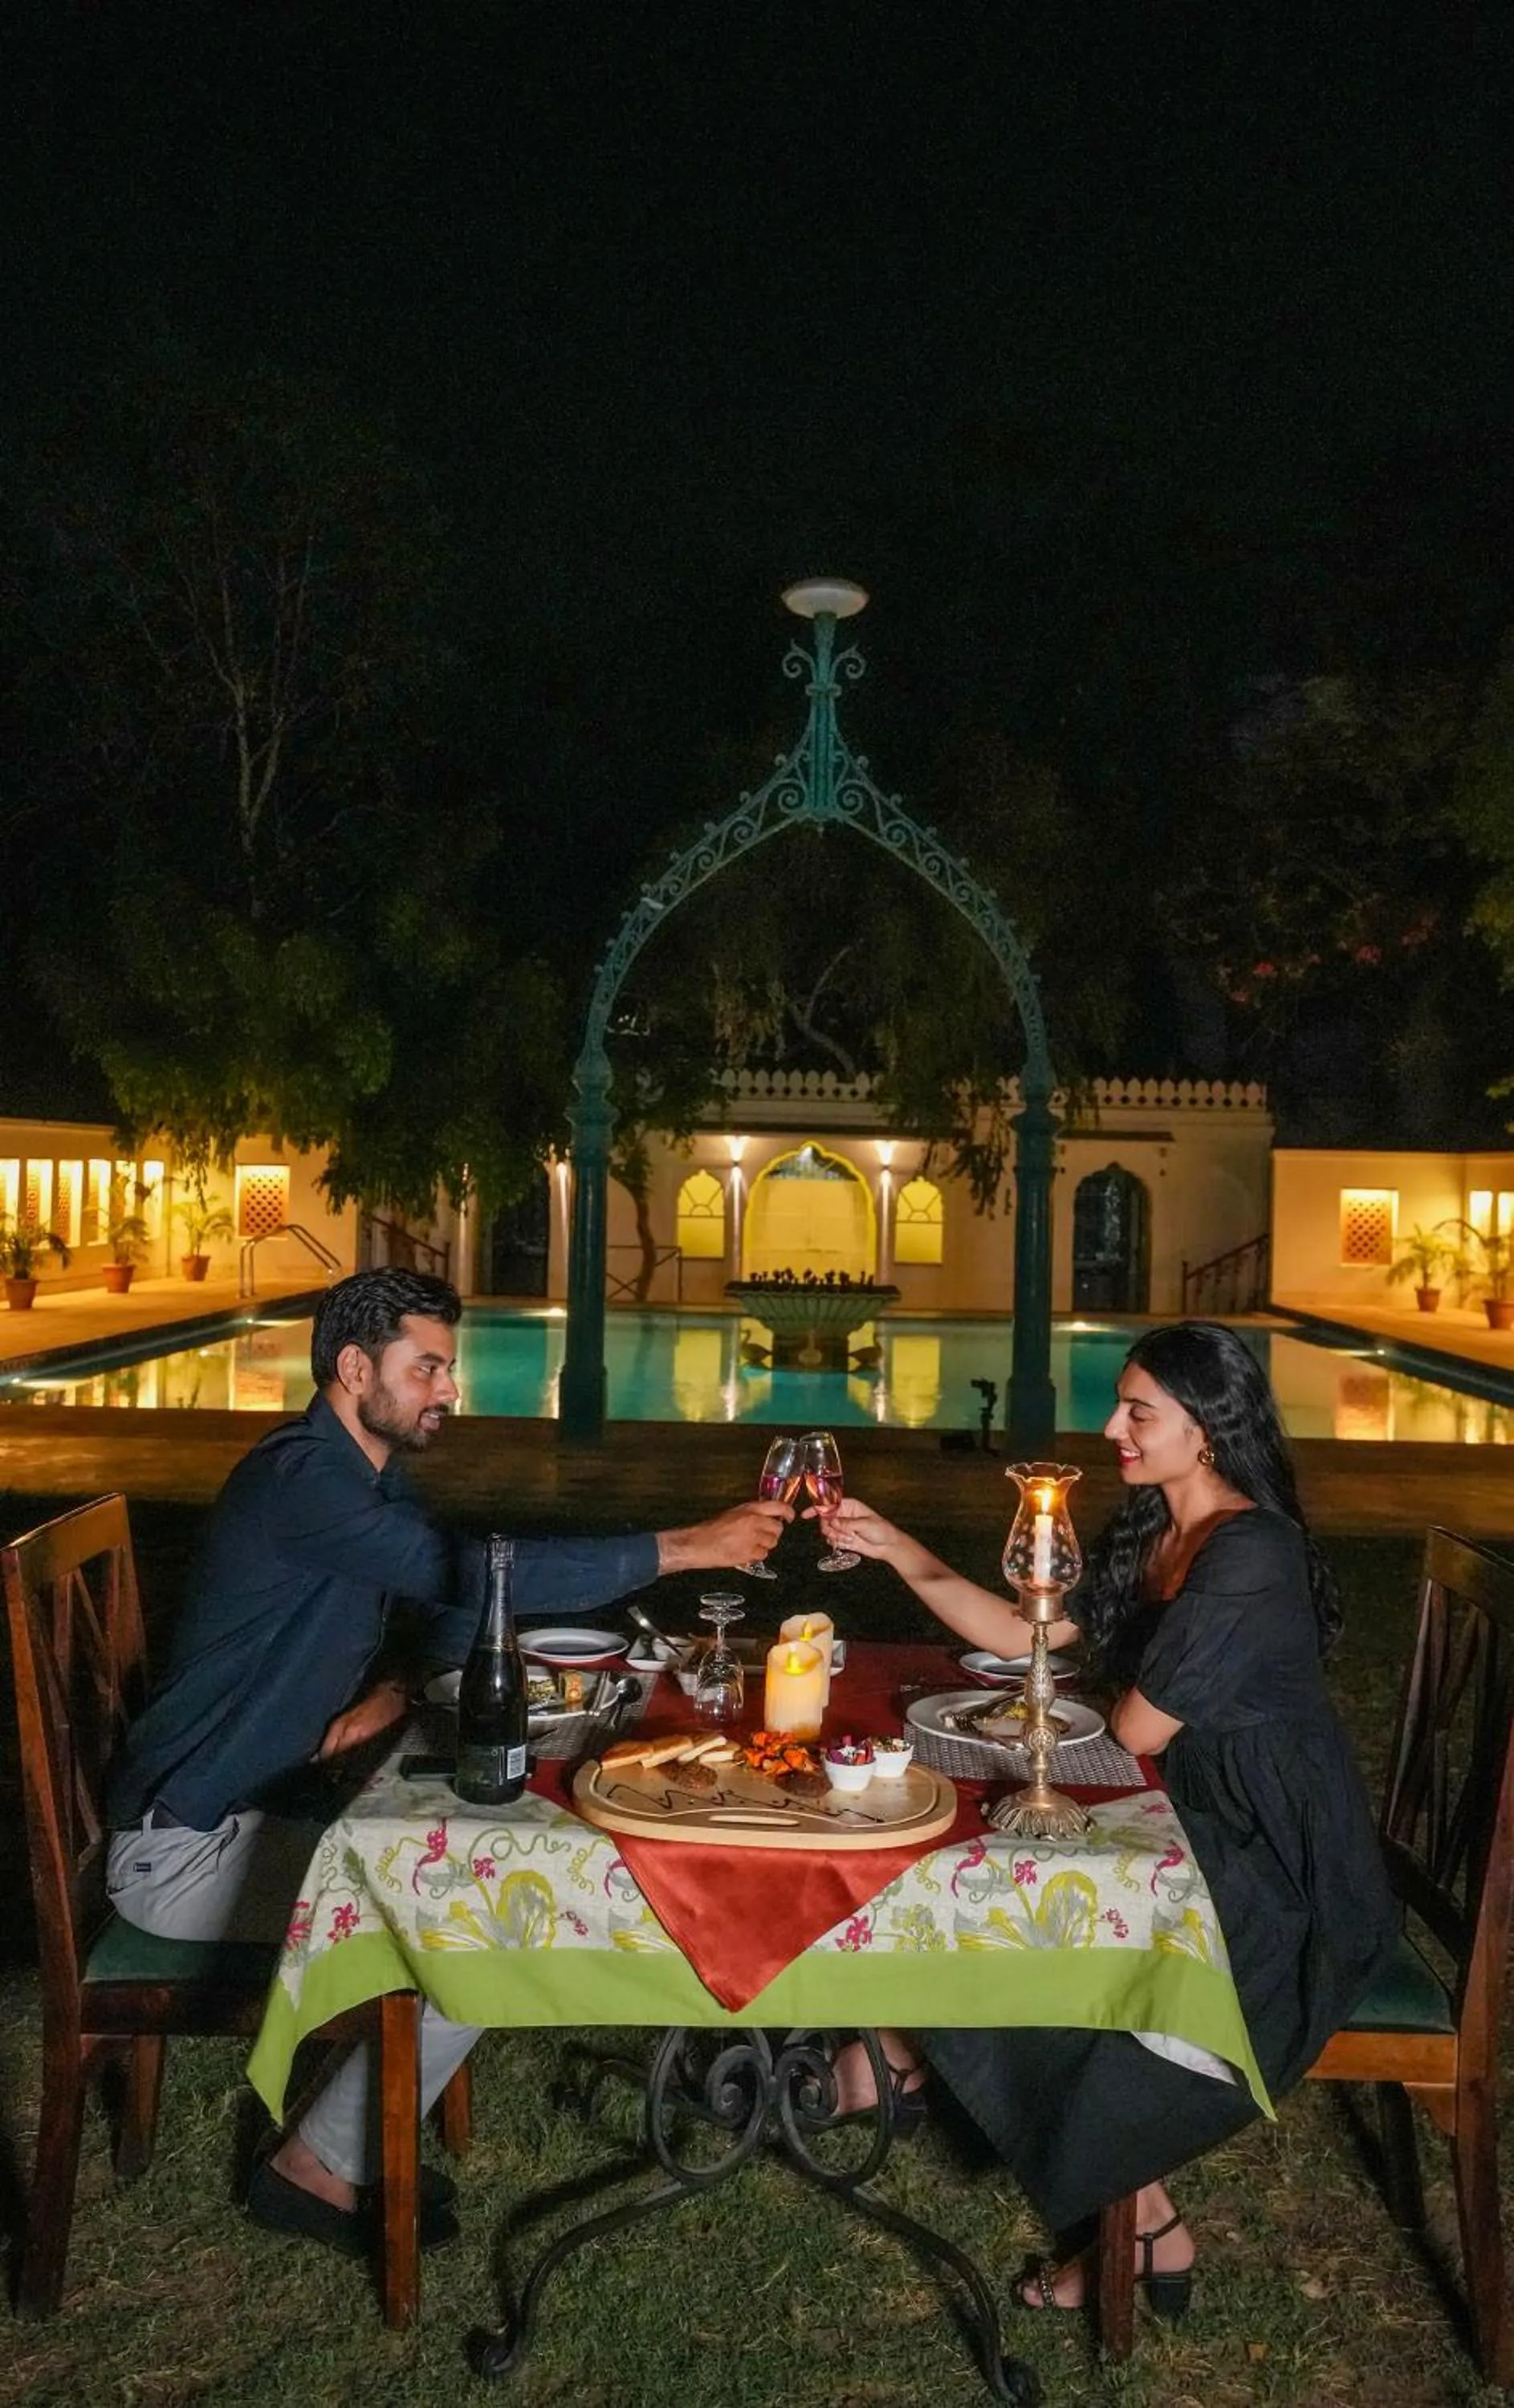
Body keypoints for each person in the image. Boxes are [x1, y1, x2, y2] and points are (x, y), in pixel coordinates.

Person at [107, 1267, 792, 2257]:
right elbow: (477, 1573)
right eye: (427, 1367)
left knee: (491, 1862)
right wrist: (684, 1547)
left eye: (447, 1368)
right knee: (478, 1920)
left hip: (256, 1809)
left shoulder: (352, 1475)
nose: (448, 1390)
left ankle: (344, 2138)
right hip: (184, 1853)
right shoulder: (300, 1480)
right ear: (354, 1367)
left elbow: (448, 1586)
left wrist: (393, 1687)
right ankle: (313, 2169)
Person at [816, 1320, 1397, 2313]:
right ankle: (900, 2057)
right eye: (1119, 1404)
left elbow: (1131, 1726)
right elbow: (1022, 1633)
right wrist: (896, 1549)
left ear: (1207, 1429)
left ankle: (910, 2065)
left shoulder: (1249, 1552)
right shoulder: (1161, 1528)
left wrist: (1032, 1721)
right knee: (1001, 1857)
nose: (1111, 1427)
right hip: (1193, 1817)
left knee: (1033, 1890)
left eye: (1139, 1411)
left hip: (1279, 1872)